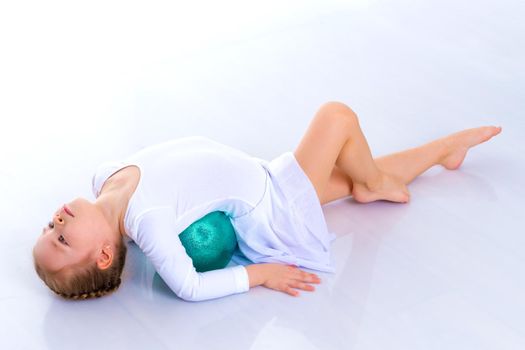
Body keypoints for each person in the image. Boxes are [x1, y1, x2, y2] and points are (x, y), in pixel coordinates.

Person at [32, 101, 502, 301]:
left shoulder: (102, 179)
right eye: (63, 239)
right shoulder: (149, 225)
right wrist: (260, 275)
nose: (55, 224)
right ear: (104, 253)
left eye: (47, 229)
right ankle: (375, 181)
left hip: (261, 173)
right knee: (336, 118)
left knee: (350, 173)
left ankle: (439, 152)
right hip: (271, 206)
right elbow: (190, 288)